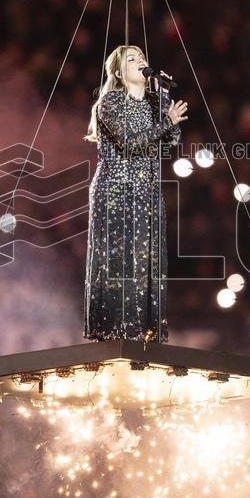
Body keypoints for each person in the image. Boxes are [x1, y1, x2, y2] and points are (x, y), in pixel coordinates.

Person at [82, 45, 189, 342]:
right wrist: (166, 122)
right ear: (118, 72)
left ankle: (144, 330)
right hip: (116, 190)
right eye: (132, 59)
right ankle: (114, 330)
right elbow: (129, 143)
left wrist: (163, 97)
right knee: (119, 260)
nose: (140, 61)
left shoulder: (153, 102)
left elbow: (171, 140)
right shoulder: (111, 102)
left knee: (146, 259)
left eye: (142, 57)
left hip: (147, 191)